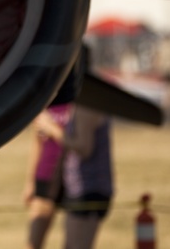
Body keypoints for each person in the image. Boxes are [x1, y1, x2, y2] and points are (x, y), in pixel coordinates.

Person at [36, 104, 113, 249]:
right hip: (78, 187)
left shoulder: (87, 107)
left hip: (89, 188)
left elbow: (84, 148)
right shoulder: (81, 105)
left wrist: (52, 129)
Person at [23, 102, 72, 248]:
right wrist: (30, 182)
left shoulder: (76, 105)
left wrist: (51, 128)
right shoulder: (45, 101)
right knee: (33, 242)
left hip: (73, 177)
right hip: (45, 174)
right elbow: (37, 143)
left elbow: (81, 143)